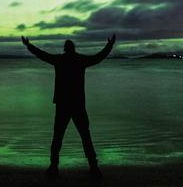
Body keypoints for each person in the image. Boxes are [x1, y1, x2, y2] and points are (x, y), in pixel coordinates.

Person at [21, 34, 116, 178]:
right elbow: (98, 57)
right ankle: (94, 167)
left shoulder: (59, 60)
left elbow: (42, 55)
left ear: (65, 49)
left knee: (58, 137)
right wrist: (109, 45)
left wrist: (29, 45)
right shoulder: (80, 60)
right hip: (78, 104)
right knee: (85, 136)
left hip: (63, 104)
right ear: (74, 48)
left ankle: (54, 167)